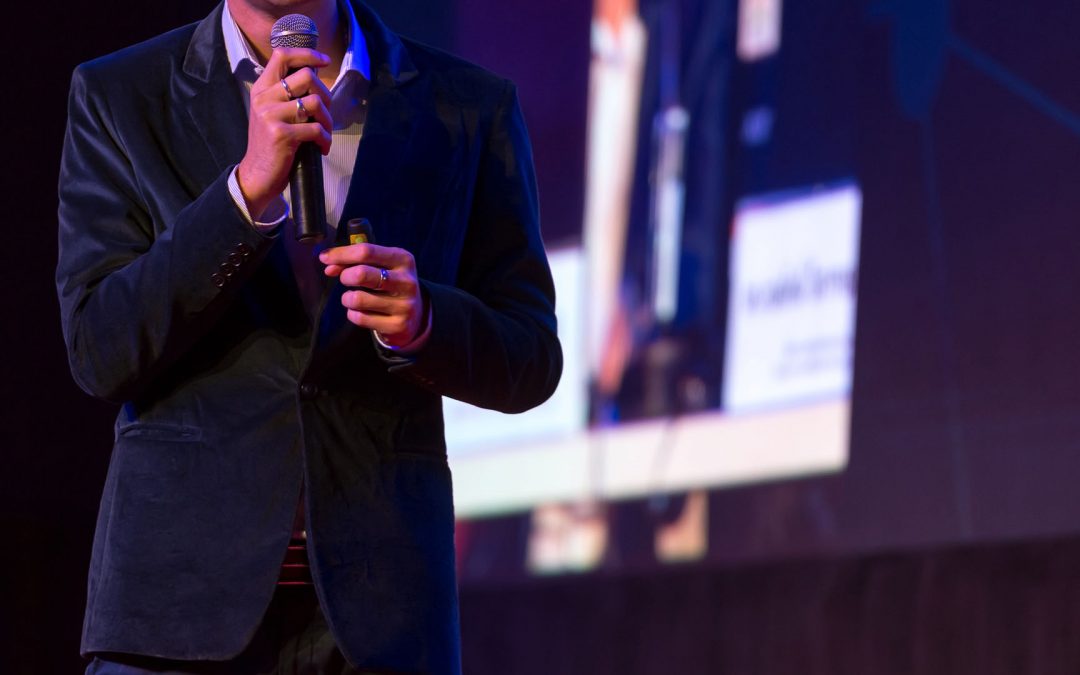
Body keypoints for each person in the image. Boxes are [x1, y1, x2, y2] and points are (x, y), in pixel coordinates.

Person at [55, 0, 562, 672]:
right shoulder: (121, 94)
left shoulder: (469, 106)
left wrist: (426, 322)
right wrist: (243, 196)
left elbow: (531, 354)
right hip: (174, 618)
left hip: (380, 619)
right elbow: (99, 346)